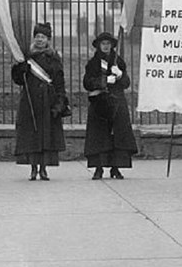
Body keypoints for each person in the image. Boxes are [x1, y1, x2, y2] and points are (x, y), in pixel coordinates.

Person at [12, 23, 69, 181]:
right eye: (37, 37)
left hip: (47, 100)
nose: (39, 40)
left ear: (48, 40)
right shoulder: (25, 56)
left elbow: (59, 80)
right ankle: (33, 168)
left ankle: (43, 169)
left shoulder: (53, 57)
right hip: (30, 99)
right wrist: (19, 69)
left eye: (43, 37)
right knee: (32, 135)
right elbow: (18, 80)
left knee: (45, 135)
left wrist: (60, 101)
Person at [83, 32, 137, 180]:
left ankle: (116, 168)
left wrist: (120, 75)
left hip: (117, 102)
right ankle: (98, 168)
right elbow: (87, 83)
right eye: (103, 44)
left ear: (112, 45)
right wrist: (104, 80)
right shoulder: (93, 63)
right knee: (99, 136)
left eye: (108, 43)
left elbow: (126, 83)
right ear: (99, 46)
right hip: (99, 103)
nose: (106, 46)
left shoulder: (118, 61)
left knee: (117, 135)